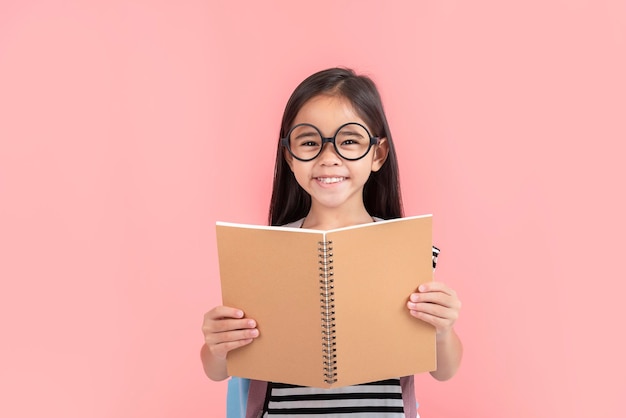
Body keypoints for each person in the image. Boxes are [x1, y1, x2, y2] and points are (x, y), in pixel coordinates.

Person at [201, 67, 463, 417]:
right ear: (289, 156)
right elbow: (218, 369)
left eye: (349, 141)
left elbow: (443, 370)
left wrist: (443, 330)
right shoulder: (263, 252)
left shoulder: (406, 248)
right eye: (309, 142)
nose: (328, 157)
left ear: (378, 154)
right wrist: (217, 346)